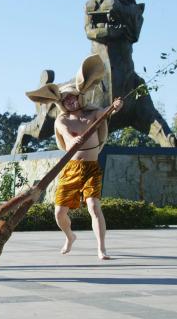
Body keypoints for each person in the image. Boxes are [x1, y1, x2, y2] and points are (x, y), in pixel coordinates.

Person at [54, 87, 123, 260]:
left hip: (92, 168)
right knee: (59, 213)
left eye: (72, 98)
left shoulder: (92, 114)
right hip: (71, 169)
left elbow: (108, 112)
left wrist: (116, 106)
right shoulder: (62, 120)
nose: (70, 101)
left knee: (93, 206)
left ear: (79, 98)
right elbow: (66, 136)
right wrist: (72, 140)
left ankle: (101, 248)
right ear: (62, 104)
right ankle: (70, 236)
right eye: (65, 100)